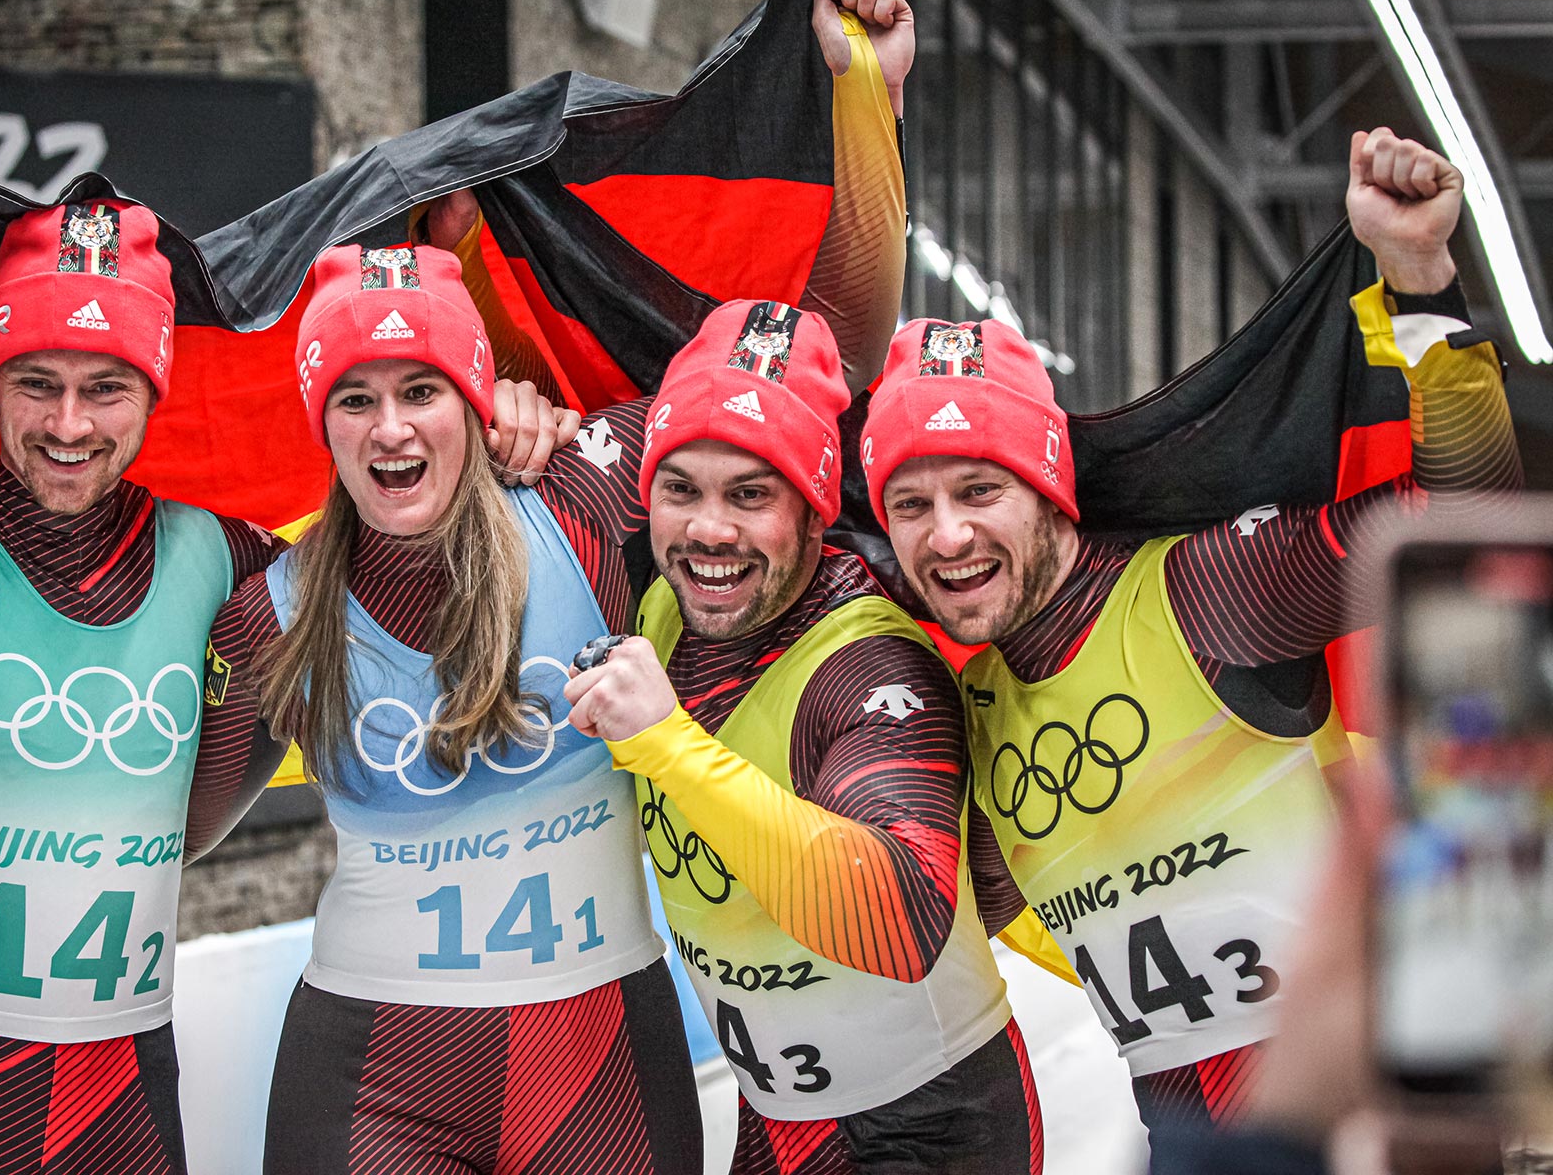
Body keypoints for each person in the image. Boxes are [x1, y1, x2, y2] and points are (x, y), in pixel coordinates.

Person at [0, 201, 564, 1174]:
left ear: (153, 390)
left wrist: (517, 404)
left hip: (125, 1115)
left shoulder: (230, 566)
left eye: (106, 386)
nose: (69, 424)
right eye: (36, 383)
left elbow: (435, 508)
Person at [855, 126, 1521, 1137]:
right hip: (1190, 1143)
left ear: (1048, 490)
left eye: (979, 489)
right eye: (909, 504)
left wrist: (1420, 280)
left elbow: (1472, 540)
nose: (946, 534)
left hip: (1374, 1121)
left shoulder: (1208, 591)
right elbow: (930, 928)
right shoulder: (973, 709)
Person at [198, 242, 704, 1175]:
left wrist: (866, 115)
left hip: (597, 1055)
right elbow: (164, 833)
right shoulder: (270, 611)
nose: (391, 429)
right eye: (356, 399)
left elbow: (795, 385)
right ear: (324, 424)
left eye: (422, 390)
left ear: (475, 397)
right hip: (372, 1070)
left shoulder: (587, 498)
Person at [563, 298, 1044, 1175]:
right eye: (682, 489)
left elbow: (899, 923)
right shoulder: (663, 602)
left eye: (750, 495)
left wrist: (668, 742)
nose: (709, 530)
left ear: (814, 509)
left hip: (928, 1125)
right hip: (774, 1120)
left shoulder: (868, 665)